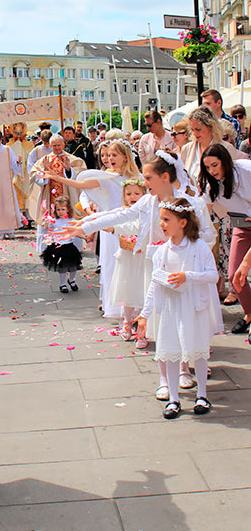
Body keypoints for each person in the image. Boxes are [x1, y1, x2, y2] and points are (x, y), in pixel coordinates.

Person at [59, 151, 217, 400]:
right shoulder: (147, 202)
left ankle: (184, 368)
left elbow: (209, 236)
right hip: (154, 266)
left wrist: (185, 244)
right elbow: (119, 214)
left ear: (165, 177)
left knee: (184, 319)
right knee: (160, 321)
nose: (144, 183)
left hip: (185, 269)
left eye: (148, 178)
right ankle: (165, 377)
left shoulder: (192, 204)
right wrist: (86, 225)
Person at [136, 197, 218, 419]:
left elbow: (213, 275)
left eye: (166, 219)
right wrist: (144, 314)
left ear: (182, 222)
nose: (161, 224)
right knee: (171, 352)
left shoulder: (199, 247)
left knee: (199, 351)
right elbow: (155, 282)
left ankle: (202, 394)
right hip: (171, 309)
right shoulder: (162, 251)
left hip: (193, 308)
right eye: (161, 219)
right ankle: (174, 398)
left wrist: (187, 276)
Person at [40, 141, 140, 319]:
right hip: (109, 225)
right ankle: (114, 305)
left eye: (114, 155)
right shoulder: (106, 178)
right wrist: (58, 177)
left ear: (125, 156)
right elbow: (81, 185)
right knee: (111, 266)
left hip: (130, 225)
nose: (110, 159)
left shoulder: (135, 177)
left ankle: (131, 305)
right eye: (108, 155)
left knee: (130, 267)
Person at [199, 144, 251, 334]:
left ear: (225, 162)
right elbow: (202, 210)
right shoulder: (210, 184)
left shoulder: (245, 169)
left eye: (215, 165)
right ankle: (249, 313)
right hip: (242, 227)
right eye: (208, 167)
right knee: (235, 276)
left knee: (244, 269)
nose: (212, 171)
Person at [28, 134, 86, 252]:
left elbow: (80, 176)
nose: (57, 148)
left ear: (63, 144)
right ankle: (47, 247)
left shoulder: (72, 159)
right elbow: (34, 176)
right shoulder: (44, 161)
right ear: (50, 145)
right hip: (49, 197)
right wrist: (45, 171)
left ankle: (73, 247)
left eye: (59, 145)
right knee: (48, 218)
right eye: (54, 146)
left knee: (69, 217)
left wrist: (68, 169)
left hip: (67, 195)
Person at [109, 179, 148, 345]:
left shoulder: (147, 211)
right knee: (127, 288)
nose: (133, 197)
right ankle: (127, 321)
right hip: (127, 255)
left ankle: (141, 328)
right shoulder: (123, 211)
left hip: (142, 257)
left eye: (137, 193)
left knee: (142, 289)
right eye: (129, 194)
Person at [40, 196, 82, 293]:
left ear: (68, 209)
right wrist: (46, 222)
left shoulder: (71, 220)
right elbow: (47, 227)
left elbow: (76, 231)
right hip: (59, 247)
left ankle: (71, 280)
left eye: (63, 209)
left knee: (73, 267)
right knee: (62, 268)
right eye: (58, 209)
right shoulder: (55, 221)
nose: (60, 211)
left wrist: (84, 237)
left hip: (70, 246)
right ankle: (62, 284)